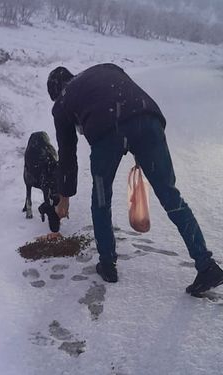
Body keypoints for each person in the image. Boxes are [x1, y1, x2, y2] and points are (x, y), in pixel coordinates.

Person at [47, 63, 223, 296]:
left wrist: (64, 196)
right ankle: (206, 265)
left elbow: (67, 154)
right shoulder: (105, 68)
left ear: (56, 91)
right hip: (148, 119)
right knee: (169, 193)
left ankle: (108, 265)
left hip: (107, 131)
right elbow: (124, 96)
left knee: (101, 199)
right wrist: (139, 144)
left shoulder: (62, 102)